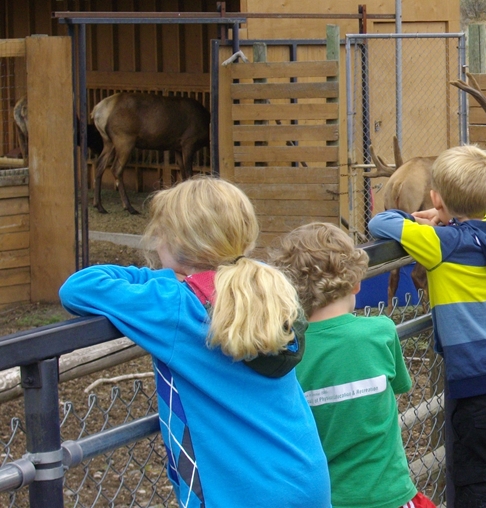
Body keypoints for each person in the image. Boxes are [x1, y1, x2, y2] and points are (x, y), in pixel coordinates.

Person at [59, 176, 330, 508]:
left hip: (241, 493)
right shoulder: (265, 287)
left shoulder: (174, 303)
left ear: (174, 241)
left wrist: (158, 277)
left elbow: (78, 288)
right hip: (304, 476)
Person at [368, 144, 486, 508]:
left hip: (476, 392)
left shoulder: (440, 244)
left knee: (481, 492)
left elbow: (379, 222)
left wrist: (429, 218)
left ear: (435, 197)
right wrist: (451, 213)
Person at [271, 222, 435, 508]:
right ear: (357, 281)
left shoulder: (287, 355)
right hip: (391, 494)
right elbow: (399, 386)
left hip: (328, 498)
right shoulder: (381, 333)